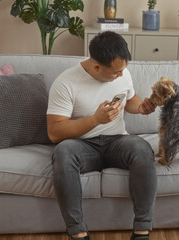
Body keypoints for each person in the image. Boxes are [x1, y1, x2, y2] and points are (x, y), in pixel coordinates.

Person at [46, 31, 158, 240]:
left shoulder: (123, 73)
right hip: (82, 146)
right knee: (63, 152)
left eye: (124, 70)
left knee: (142, 148)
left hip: (117, 142)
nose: (121, 75)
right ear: (97, 67)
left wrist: (141, 108)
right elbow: (54, 132)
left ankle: (142, 232)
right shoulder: (65, 82)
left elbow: (131, 100)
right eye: (116, 72)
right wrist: (95, 120)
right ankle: (78, 233)